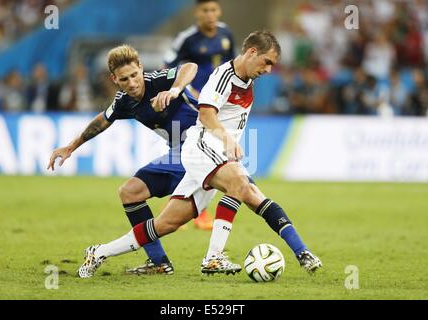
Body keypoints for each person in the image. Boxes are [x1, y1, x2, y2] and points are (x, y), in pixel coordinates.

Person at [78, 31, 322, 279]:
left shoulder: (246, 79)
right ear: (251, 53)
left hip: (216, 154)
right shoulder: (223, 76)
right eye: (267, 62)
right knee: (239, 184)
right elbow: (205, 114)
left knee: (167, 223)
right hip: (201, 147)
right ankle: (214, 257)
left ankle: (99, 252)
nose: (269, 69)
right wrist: (227, 140)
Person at [48, 44, 200, 275]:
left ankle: (102, 252)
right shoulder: (124, 102)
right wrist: (70, 147)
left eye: (134, 75)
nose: (132, 83)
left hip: (202, 146)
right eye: (124, 79)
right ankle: (159, 262)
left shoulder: (158, 81)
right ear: (114, 79)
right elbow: (102, 120)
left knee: (171, 218)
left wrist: (175, 90)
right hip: (179, 155)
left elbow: (190, 67)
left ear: (141, 68)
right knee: (130, 192)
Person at [164, 0, 235, 230]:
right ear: (197, 12)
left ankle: (187, 209)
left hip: (219, 104)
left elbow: (234, 66)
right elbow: (168, 66)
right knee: (190, 154)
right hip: (193, 105)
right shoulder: (187, 38)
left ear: (220, 11)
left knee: (211, 156)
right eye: (205, 10)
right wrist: (185, 88)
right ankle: (190, 210)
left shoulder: (226, 34)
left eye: (214, 9)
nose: (210, 14)